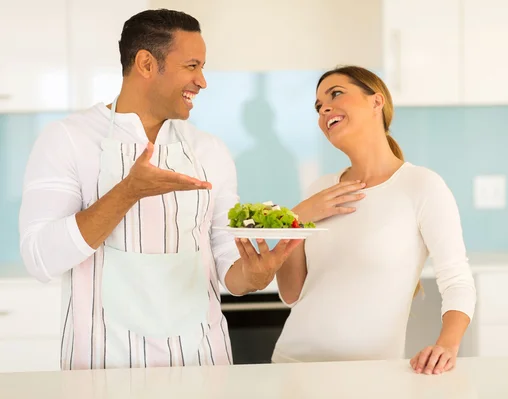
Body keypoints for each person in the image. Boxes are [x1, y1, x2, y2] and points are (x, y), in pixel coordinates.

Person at [18, 9, 301, 370]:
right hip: (103, 369)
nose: (202, 81)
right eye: (192, 66)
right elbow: (40, 258)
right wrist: (127, 192)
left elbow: (225, 258)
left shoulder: (208, 150)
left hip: (202, 365)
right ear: (146, 64)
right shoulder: (68, 139)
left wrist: (253, 276)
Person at [273, 66, 477, 375]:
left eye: (335, 94)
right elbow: (292, 293)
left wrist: (447, 345)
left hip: (370, 376)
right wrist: (295, 217)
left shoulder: (421, 185)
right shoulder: (319, 189)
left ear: (375, 102)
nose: (324, 108)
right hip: (292, 366)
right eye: (318, 107)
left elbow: (458, 279)